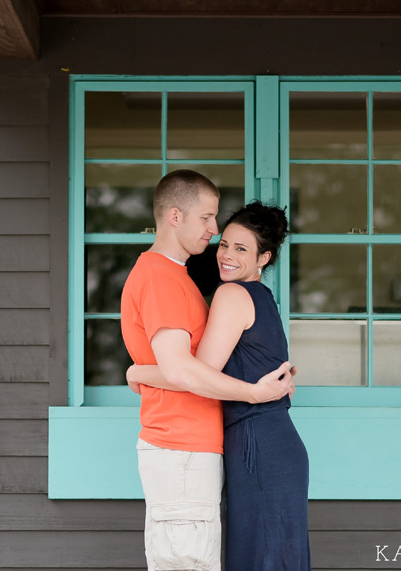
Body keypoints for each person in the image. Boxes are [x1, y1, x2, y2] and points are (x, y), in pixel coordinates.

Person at [120, 170, 296, 571]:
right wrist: (254, 392)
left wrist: (267, 372)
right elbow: (182, 372)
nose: (213, 231)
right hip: (180, 447)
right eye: (206, 218)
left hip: (196, 446)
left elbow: (209, 362)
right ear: (176, 216)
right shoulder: (162, 279)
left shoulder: (179, 279)